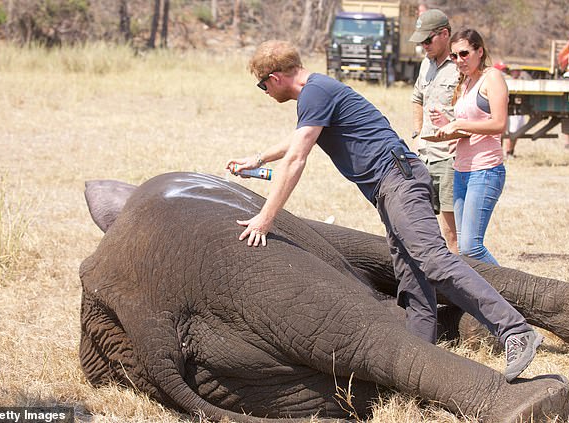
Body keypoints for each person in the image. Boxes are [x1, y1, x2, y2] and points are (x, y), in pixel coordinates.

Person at [227, 39, 543, 382]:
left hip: (399, 181)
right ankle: (420, 362)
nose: (264, 92)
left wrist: (266, 218)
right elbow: (300, 139)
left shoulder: (314, 92)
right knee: (411, 276)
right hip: (390, 187)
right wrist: (257, 160)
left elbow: (297, 158)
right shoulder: (317, 92)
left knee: (433, 260)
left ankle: (515, 331)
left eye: (262, 85)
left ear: (274, 78)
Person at [430, 29, 507, 266]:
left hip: (485, 170)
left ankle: (512, 294)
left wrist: (460, 123)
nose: (458, 60)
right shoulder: (466, 83)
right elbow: (473, 128)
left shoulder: (491, 77)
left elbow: (499, 124)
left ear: (479, 51)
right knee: (463, 248)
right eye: (454, 56)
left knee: (472, 247)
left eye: (464, 54)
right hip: (461, 170)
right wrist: (448, 126)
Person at [409, 9, 459, 254]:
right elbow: (417, 98)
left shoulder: (461, 65)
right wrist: (417, 134)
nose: (424, 46)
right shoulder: (425, 64)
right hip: (425, 155)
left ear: (445, 34)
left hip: (450, 158)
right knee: (425, 228)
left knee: (452, 232)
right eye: (421, 41)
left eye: (428, 40)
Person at [502, 67, 531, 158]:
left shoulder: (523, 82)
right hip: (509, 110)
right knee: (506, 133)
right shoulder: (506, 81)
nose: (516, 72)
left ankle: (510, 152)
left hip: (518, 111)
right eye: (515, 70)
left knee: (515, 133)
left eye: (518, 71)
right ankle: (504, 152)